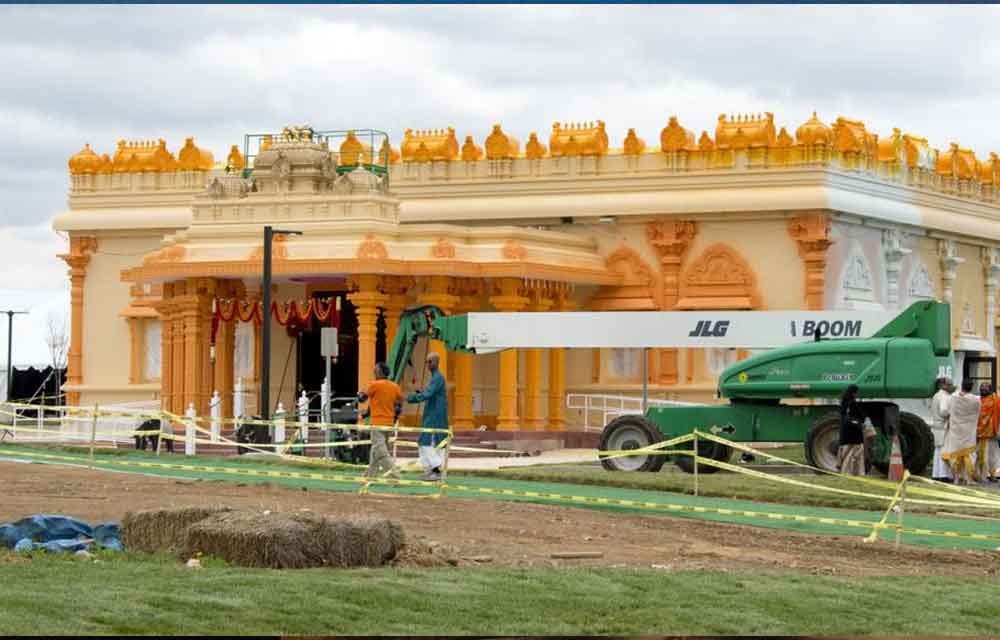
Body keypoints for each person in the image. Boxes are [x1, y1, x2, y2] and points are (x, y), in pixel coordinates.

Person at [407, 352, 449, 481]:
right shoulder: (435, 378)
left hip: (435, 415)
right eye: (427, 362)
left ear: (437, 362)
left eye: (430, 361)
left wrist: (410, 398)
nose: (428, 364)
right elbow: (427, 393)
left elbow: (428, 394)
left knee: (426, 442)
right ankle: (431, 471)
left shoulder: (438, 378)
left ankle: (436, 469)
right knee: (431, 442)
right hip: (433, 413)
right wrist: (420, 394)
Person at [357, 362, 404, 479]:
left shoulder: (374, 385)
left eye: (375, 370)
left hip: (377, 424)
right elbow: (399, 406)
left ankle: (395, 476)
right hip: (389, 424)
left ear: (379, 372)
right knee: (376, 451)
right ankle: (369, 476)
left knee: (382, 453)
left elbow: (362, 399)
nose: (373, 371)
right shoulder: (395, 387)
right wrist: (395, 418)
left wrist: (359, 394)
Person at [942, 378, 980, 485]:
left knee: (955, 454)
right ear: (972, 387)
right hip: (969, 431)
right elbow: (977, 413)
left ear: (961, 385)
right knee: (969, 454)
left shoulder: (953, 398)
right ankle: (968, 479)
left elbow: (947, 411)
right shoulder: (976, 400)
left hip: (955, 430)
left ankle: (956, 478)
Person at [838, 384, 866, 476]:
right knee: (855, 452)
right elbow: (855, 416)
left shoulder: (844, 402)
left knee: (847, 452)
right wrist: (860, 422)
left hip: (847, 432)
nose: (858, 394)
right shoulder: (851, 403)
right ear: (854, 393)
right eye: (857, 392)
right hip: (853, 433)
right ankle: (852, 472)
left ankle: (847, 471)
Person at [930, 377, 954, 482]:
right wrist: (953, 412)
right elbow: (943, 412)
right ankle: (943, 474)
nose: (951, 386)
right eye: (949, 384)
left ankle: (936, 474)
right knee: (944, 451)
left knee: (938, 450)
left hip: (937, 426)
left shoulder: (936, 395)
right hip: (943, 426)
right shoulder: (944, 396)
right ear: (942, 385)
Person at [976, 382, 999, 483]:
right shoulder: (977, 400)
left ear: (990, 390)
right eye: (981, 389)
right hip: (979, 433)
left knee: (992, 456)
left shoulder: (996, 400)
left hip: (993, 432)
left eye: (985, 389)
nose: (983, 390)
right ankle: (981, 476)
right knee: (981, 456)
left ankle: (992, 475)